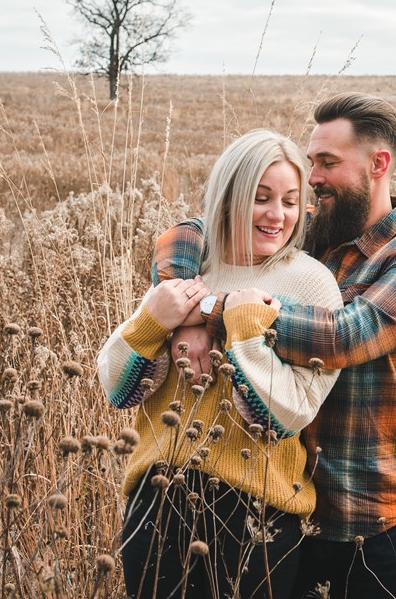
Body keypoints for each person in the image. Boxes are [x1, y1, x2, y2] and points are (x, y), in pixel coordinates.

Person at [153, 93, 396, 599]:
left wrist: (216, 310)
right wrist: (184, 312)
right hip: (290, 511)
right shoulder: (306, 236)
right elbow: (189, 231)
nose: (312, 177)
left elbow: (343, 336)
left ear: (378, 165)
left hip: (377, 521)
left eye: (327, 163)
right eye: (312, 161)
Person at [97, 129, 344, 599]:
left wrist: (244, 327)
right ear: (229, 196)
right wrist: (153, 320)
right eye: (261, 197)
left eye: (291, 201)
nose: (277, 215)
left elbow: (289, 414)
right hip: (157, 498)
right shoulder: (190, 269)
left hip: (257, 517)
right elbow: (116, 387)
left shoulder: (312, 284)